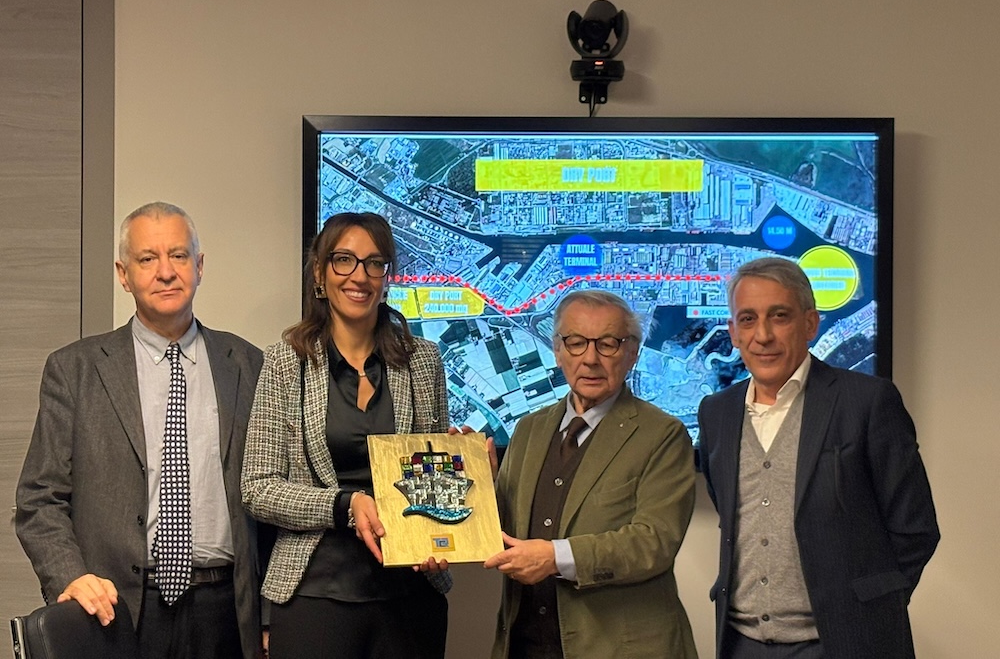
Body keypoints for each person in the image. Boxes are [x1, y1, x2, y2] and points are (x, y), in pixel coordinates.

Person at [15, 202, 266, 659]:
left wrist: (269, 617)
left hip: (226, 611)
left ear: (199, 266)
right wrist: (70, 576)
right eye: (148, 258)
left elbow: (271, 495)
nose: (165, 272)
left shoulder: (249, 365)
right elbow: (38, 499)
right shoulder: (75, 370)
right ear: (123, 274)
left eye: (179, 255)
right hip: (116, 611)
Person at [698, 257, 940, 658]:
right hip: (741, 642)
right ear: (734, 333)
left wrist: (871, 604)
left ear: (810, 324)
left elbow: (915, 529)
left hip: (844, 644)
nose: (763, 335)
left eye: (779, 316)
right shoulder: (716, 412)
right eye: (748, 319)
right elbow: (728, 510)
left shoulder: (867, 402)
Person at [241, 211, 451, 659]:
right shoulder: (284, 362)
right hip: (315, 593)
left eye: (375, 263)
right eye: (344, 260)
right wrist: (344, 506)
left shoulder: (423, 361)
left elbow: (430, 479)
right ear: (319, 273)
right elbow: (257, 489)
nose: (360, 276)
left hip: (410, 594)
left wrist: (460, 483)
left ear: (387, 277)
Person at [484, 289, 698, 659]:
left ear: (632, 353)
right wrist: (480, 489)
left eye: (608, 344)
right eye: (576, 342)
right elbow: (509, 531)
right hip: (524, 646)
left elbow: (653, 542)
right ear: (557, 350)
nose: (590, 359)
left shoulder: (663, 435)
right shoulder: (529, 429)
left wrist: (556, 557)